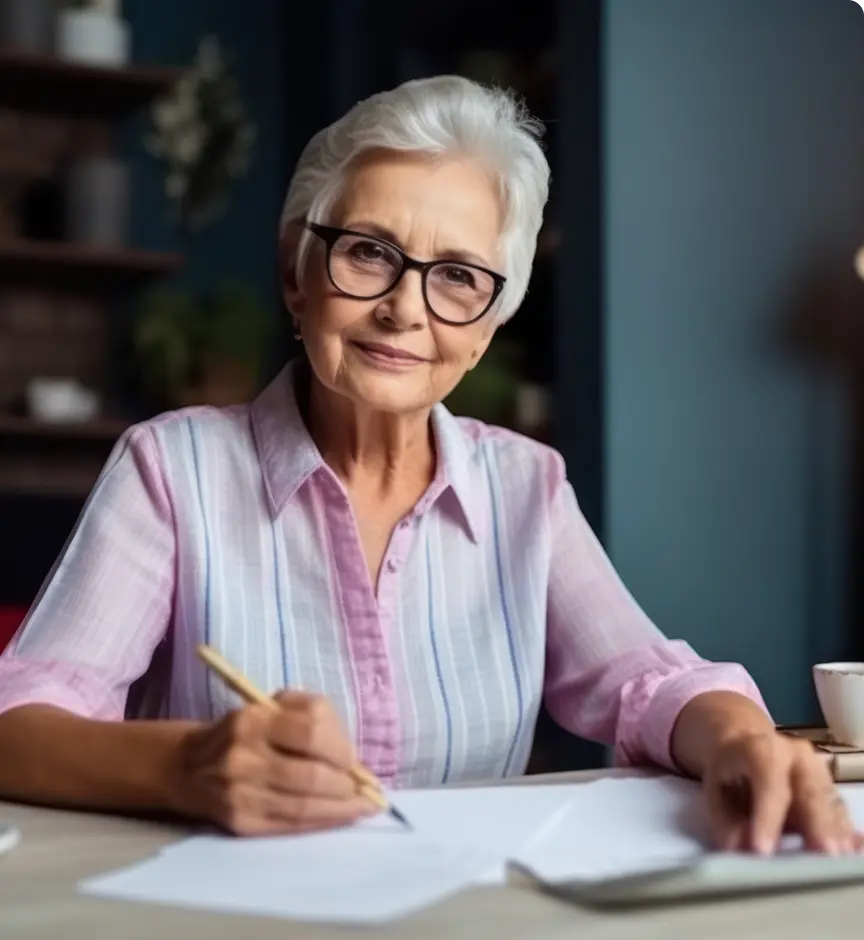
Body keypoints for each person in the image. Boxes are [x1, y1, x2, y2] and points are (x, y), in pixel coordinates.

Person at [0, 76, 856, 855]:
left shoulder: (526, 486)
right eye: (369, 252)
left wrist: (745, 738)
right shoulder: (170, 468)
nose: (405, 308)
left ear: (486, 325)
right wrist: (186, 767)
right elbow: (19, 720)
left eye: (456, 276)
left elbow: (645, 684)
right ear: (299, 272)